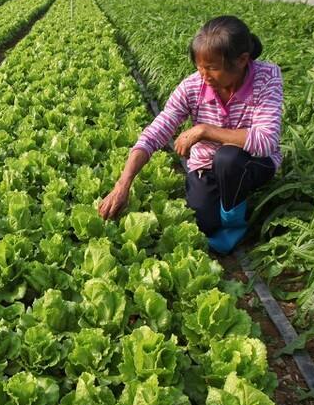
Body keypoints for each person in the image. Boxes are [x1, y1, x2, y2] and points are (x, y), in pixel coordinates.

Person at [98, 15, 283, 254]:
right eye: (199, 67)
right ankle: (224, 207)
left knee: (228, 158)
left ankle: (234, 225)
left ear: (242, 60)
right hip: (207, 166)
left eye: (212, 68)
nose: (204, 77)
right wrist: (123, 184)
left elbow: (267, 141)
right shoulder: (193, 86)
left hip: (252, 162)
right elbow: (156, 131)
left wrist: (205, 130)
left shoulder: (266, 77)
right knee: (203, 223)